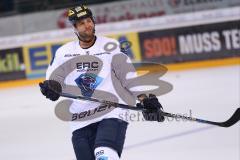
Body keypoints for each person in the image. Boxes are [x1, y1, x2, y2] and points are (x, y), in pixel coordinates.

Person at [39, 4, 164, 160]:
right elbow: (54, 78)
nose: (87, 25)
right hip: (80, 119)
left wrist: (145, 99)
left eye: (89, 20)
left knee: (104, 155)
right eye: (82, 23)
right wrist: (52, 87)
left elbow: (128, 76)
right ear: (75, 28)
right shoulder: (63, 53)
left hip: (111, 112)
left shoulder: (111, 46)